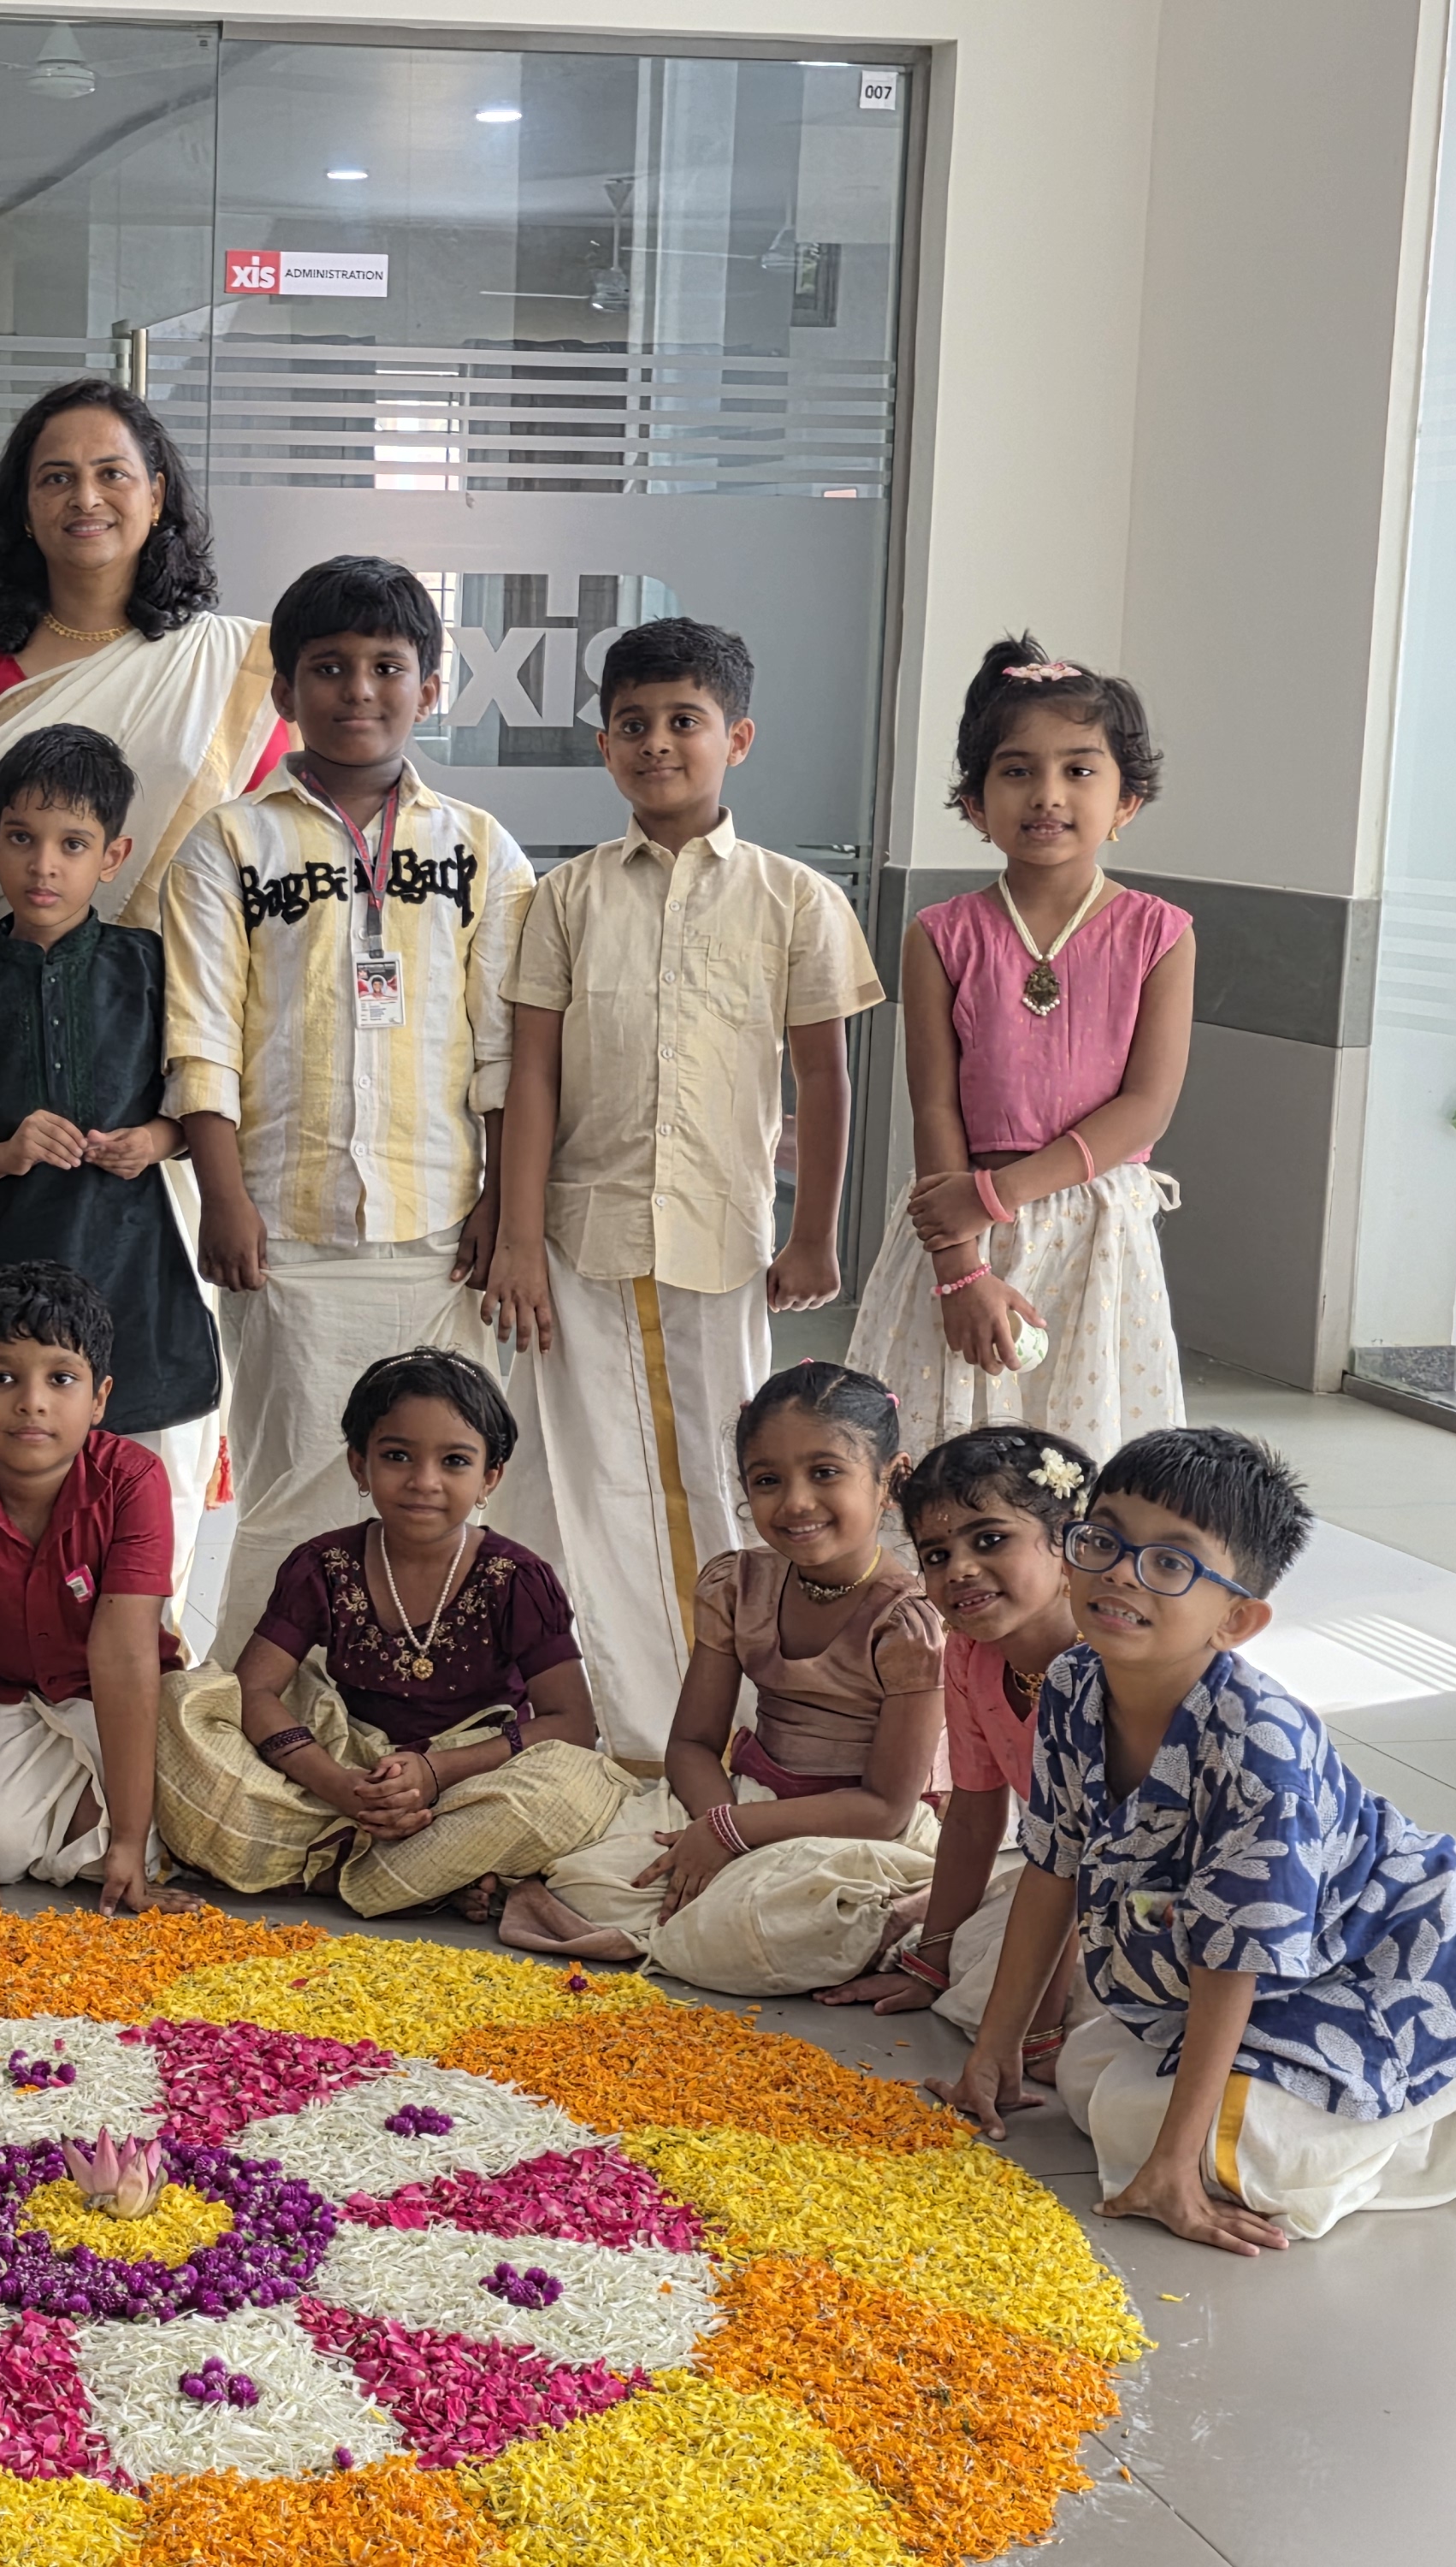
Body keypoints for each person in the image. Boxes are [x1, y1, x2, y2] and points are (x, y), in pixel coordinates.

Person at [936, 1427, 1456, 2250]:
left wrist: (1174, 2168)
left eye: (1170, 1562)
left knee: (1246, 2162)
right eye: (1103, 1540)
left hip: (1383, 1956)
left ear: (1238, 1620)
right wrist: (993, 2054)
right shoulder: (1074, 1683)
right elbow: (1051, 1869)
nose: (1120, 1573)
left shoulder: (1258, 1743)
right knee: (1086, 2079)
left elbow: (1233, 1957)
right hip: (1255, 1970)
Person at [484, 619, 885, 1760]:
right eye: (632, 724)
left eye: (683, 722)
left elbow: (822, 1077)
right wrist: (518, 1239)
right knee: (582, 1476)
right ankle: (600, 1717)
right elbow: (531, 1076)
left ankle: (738, 1711)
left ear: (736, 739)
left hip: (721, 1240)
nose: (656, 743)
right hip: (580, 1239)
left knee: (730, 1466)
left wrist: (815, 1234)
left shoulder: (796, 899)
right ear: (602, 745)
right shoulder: (563, 899)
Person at [165, 556, 531, 1637]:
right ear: (285, 690)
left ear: (430, 687)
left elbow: (505, 1051)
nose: (359, 690)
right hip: (285, 1231)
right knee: (291, 1490)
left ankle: (423, 1690)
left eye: (386, 666)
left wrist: (502, 1207)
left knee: (433, 1497)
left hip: (440, 1235)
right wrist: (225, 1199)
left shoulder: (480, 849)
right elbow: (201, 1040)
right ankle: (254, 1701)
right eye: (328, 667)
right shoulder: (228, 843)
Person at [845, 639, 1193, 1458]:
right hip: (959, 1230)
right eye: (1016, 771)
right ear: (974, 803)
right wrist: (960, 1267)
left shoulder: (1160, 934)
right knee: (950, 1451)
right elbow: (935, 1106)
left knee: (1083, 1452)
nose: (1047, 795)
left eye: (1079, 770)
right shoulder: (940, 934)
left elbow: (1146, 1107)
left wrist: (996, 1195)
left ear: (1127, 800)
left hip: (1096, 1233)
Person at [500, 1361, 944, 1993]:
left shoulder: (910, 1623)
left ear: (890, 1481)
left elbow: (885, 1808)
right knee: (584, 1877)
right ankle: (704, 1926)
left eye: (825, 1473)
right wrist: (718, 1827)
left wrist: (732, 1836)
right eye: (767, 1480)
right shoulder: (738, 1584)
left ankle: (724, 1926)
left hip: (856, 1832)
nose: (795, 1502)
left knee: (804, 1915)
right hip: (748, 1801)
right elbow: (691, 1744)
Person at [155, 1348, 638, 1919]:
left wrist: (435, 1773)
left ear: (489, 1478)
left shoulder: (517, 1579)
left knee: (572, 1786)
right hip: (342, 1768)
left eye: (454, 1461)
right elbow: (254, 1689)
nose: (423, 1481)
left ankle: (335, 1868)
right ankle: (426, 1873)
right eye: (397, 1456)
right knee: (178, 1703)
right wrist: (341, 1787)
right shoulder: (323, 1566)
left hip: (470, 1776)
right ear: (360, 1466)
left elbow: (572, 1723)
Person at [0, 726, 218, 1589]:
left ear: (113, 857)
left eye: (73, 845)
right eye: (22, 838)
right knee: (3, 1516)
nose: (43, 865)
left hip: (128, 1266)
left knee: (133, 1509)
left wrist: (153, 1140)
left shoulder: (150, 968)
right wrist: (6, 1152)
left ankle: (136, 1650)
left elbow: (199, 1101)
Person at [0, 379, 285, 999]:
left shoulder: (234, 667)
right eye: (57, 478)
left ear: (155, 496)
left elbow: (279, 846)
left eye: (111, 474)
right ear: (25, 508)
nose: (85, 498)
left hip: (182, 1007)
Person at [0, 1261, 204, 1923]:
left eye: (61, 1379)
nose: (32, 1402)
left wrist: (130, 1844)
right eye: (2, 1378)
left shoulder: (132, 1479)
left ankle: (100, 1830)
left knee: (184, 1825)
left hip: (114, 1695)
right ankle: (64, 1827)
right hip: (0, 1698)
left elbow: (124, 1659)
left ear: (100, 1398)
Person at [815, 1426, 1097, 2084]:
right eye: (936, 1554)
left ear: (1070, 1543)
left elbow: (1077, 1863)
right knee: (970, 1959)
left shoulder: (1106, 1670)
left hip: (1160, 1899)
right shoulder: (971, 1654)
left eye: (990, 1540)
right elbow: (972, 1817)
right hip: (1061, 1883)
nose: (960, 1569)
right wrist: (930, 1964)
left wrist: (1034, 2037)